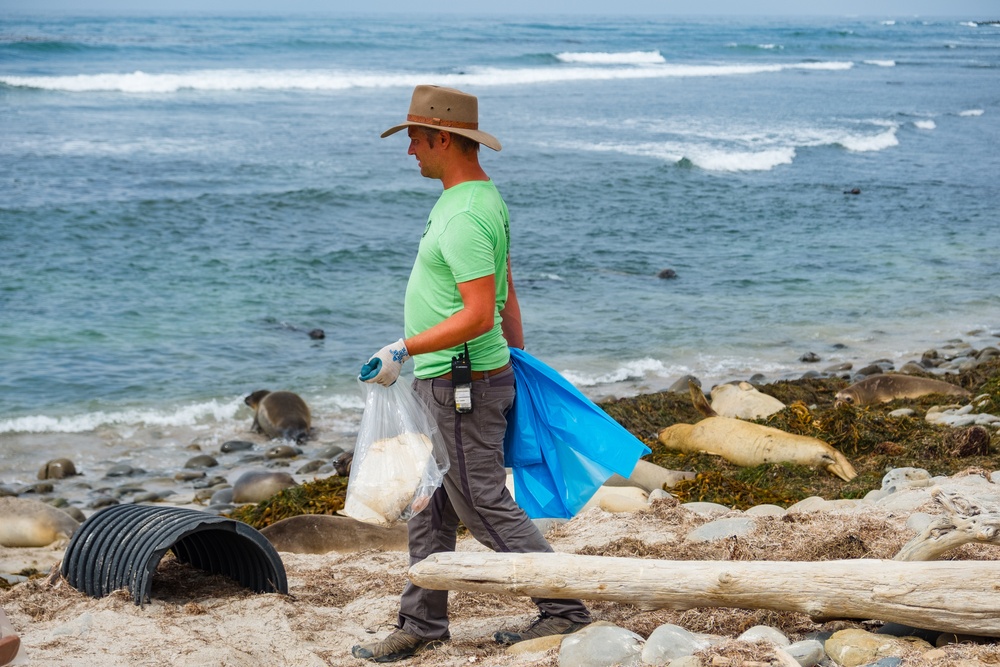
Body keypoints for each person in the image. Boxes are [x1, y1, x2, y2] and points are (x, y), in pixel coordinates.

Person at [351, 85, 592, 663]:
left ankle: (565, 610)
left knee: (482, 504)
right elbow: (504, 286)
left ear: (441, 137)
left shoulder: (463, 214)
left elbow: (478, 310)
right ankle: (421, 624)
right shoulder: (476, 199)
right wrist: (516, 354)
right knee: (427, 501)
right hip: (461, 378)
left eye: (413, 137)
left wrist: (402, 348)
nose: (409, 149)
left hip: (462, 386)